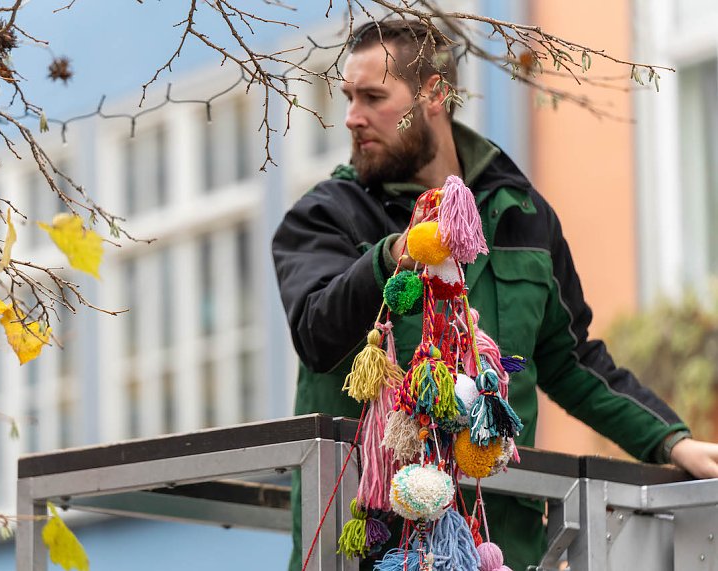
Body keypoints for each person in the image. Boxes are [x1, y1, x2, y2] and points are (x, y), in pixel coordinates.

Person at [272, 18, 718, 571]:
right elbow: (315, 332)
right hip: (375, 551)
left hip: (500, 548)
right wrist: (392, 256)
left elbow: (573, 361)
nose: (352, 116)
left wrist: (670, 441)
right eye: (348, 97)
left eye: (373, 97)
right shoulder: (324, 216)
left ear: (435, 95)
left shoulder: (523, 214)